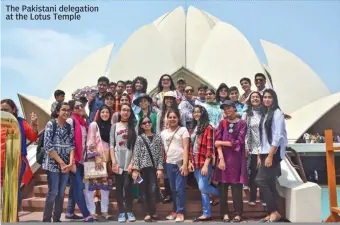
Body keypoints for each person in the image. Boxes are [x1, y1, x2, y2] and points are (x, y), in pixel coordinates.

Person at [0, 99, 39, 216]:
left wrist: (34, 124)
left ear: (13, 110)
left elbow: (32, 137)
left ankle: (13, 216)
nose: (3, 112)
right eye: (1, 110)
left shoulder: (21, 122)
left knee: (13, 191)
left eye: (6, 110)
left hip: (16, 162)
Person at [213, 100, 248, 223]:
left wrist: (222, 143)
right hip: (223, 159)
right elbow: (216, 142)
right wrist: (221, 159)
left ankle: (238, 214)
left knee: (236, 188)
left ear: (234, 108)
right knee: (222, 188)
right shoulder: (222, 123)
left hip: (236, 160)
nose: (226, 111)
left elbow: (239, 141)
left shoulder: (242, 123)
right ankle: (225, 214)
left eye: (229, 108)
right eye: (225, 109)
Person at [256, 89, 287, 223]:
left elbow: (278, 135)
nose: (267, 99)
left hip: (272, 153)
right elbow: (262, 136)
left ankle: (274, 211)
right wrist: (260, 154)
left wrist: (270, 155)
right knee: (269, 183)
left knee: (260, 180)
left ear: (274, 99)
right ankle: (272, 213)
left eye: (270, 97)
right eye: (265, 97)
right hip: (264, 152)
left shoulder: (277, 113)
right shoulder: (266, 113)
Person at [42, 102, 74, 222]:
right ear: (57, 111)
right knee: (53, 191)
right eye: (63, 110)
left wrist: (70, 163)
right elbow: (48, 146)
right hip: (53, 164)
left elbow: (72, 145)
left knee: (61, 193)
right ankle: (46, 219)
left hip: (65, 164)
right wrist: (61, 163)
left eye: (68, 110)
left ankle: (56, 218)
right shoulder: (51, 124)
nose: (66, 112)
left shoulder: (69, 126)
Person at [189, 105, 219, 222]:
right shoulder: (195, 127)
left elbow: (210, 149)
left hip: (203, 162)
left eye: (198, 112)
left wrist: (206, 164)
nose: (196, 114)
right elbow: (192, 146)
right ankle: (207, 214)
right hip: (195, 162)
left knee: (203, 187)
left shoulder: (209, 128)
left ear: (203, 113)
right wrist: (190, 161)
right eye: (194, 112)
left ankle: (221, 194)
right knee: (202, 190)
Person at [65, 100, 94, 222]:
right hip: (73, 160)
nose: (81, 107)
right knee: (78, 186)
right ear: (72, 110)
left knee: (74, 186)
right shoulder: (71, 120)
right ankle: (86, 214)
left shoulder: (83, 123)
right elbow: (67, 141)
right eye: (77, 107)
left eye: (82, 106)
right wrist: (70, 161)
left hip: (81, 159)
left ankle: (70, 212)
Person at [132, 116, 164, 222]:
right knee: (143, 191)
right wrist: (136, 169)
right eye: (144, 123)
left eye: (148, 122)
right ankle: (147, 213)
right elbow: (136, 154)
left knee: (152, 190)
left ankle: (153, 211)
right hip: (142, 169)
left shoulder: (158, 137)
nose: (147, 124)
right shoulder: (140, 138)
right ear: (141, 126)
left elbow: (160, 154)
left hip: (153, 169)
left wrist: (159, 168)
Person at [110, 103, 137, 223]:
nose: (125, 112)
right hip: (118, 157)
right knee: (119, 188)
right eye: (123, 110)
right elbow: (111, 145)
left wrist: (132, 162)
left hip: (129, 158)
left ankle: (129, 211)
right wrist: (114, 161)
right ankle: (121, 212)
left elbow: (136, 147)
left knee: (128, 187)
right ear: (120, 112)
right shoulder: (114, 126)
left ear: (130, 113)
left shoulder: (133, 127)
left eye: (128, 110)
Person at [85, 105, 113, 220]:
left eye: (107, 112)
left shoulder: (111, 126)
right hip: (95, 159)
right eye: (103, 112)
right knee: (91, 188)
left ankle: (105, 211)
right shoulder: (94, 125)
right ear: (99, 113)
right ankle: (91, 212)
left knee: (105, 188)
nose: (105, 114)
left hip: (107, 160)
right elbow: (90, 141)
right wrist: (96, 157)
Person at [161, 110, 189, 222]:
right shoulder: (163, 133)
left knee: (180, 189)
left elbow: (186, 148)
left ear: (178, 119)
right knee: (173, 189)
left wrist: (185, 164)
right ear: (167, 119)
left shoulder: (183, 130)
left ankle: (181, 212)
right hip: (168, 163)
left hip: (180, 163)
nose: (172, 119)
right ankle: (175, 210)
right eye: (170, 117)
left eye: (174, 117)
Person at [242, 92, 265, 206]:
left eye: (257, 97)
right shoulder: (247, 114)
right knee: (253, 173)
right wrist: (245, 146)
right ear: (249, 99)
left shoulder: (265, 112)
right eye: (253, 97)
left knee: (262, 173)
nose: (255, 99)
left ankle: (263, 197)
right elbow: (244, 131)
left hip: (263, 147)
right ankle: (252, 197)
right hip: (251, 148)